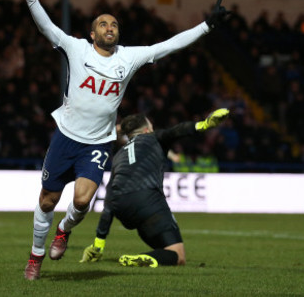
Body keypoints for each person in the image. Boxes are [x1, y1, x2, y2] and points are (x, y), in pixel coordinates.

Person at [18, 0, 230, 280]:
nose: (109, 27)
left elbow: (168, 45)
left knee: (81, 200)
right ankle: (35, 257)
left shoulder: (128, 58)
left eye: (114, 24)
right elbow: (48, 28)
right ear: (92, 33)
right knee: (47, 200)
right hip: (66, 136)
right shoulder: (77, 48)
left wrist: (206, 27)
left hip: (98, 142)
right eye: (103, 23)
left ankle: (64, 230)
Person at [80, 108, 229, 267]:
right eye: (151, 127)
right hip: (147, 200)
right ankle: (142, 258)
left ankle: (153, 258)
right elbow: (175, 131)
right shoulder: (152, 138)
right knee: (178, 256)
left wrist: (99, 243)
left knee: (165, 250)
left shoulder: (119, 156)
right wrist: (203, 125)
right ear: (146, 130)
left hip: (122, 208)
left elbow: (109, 198)